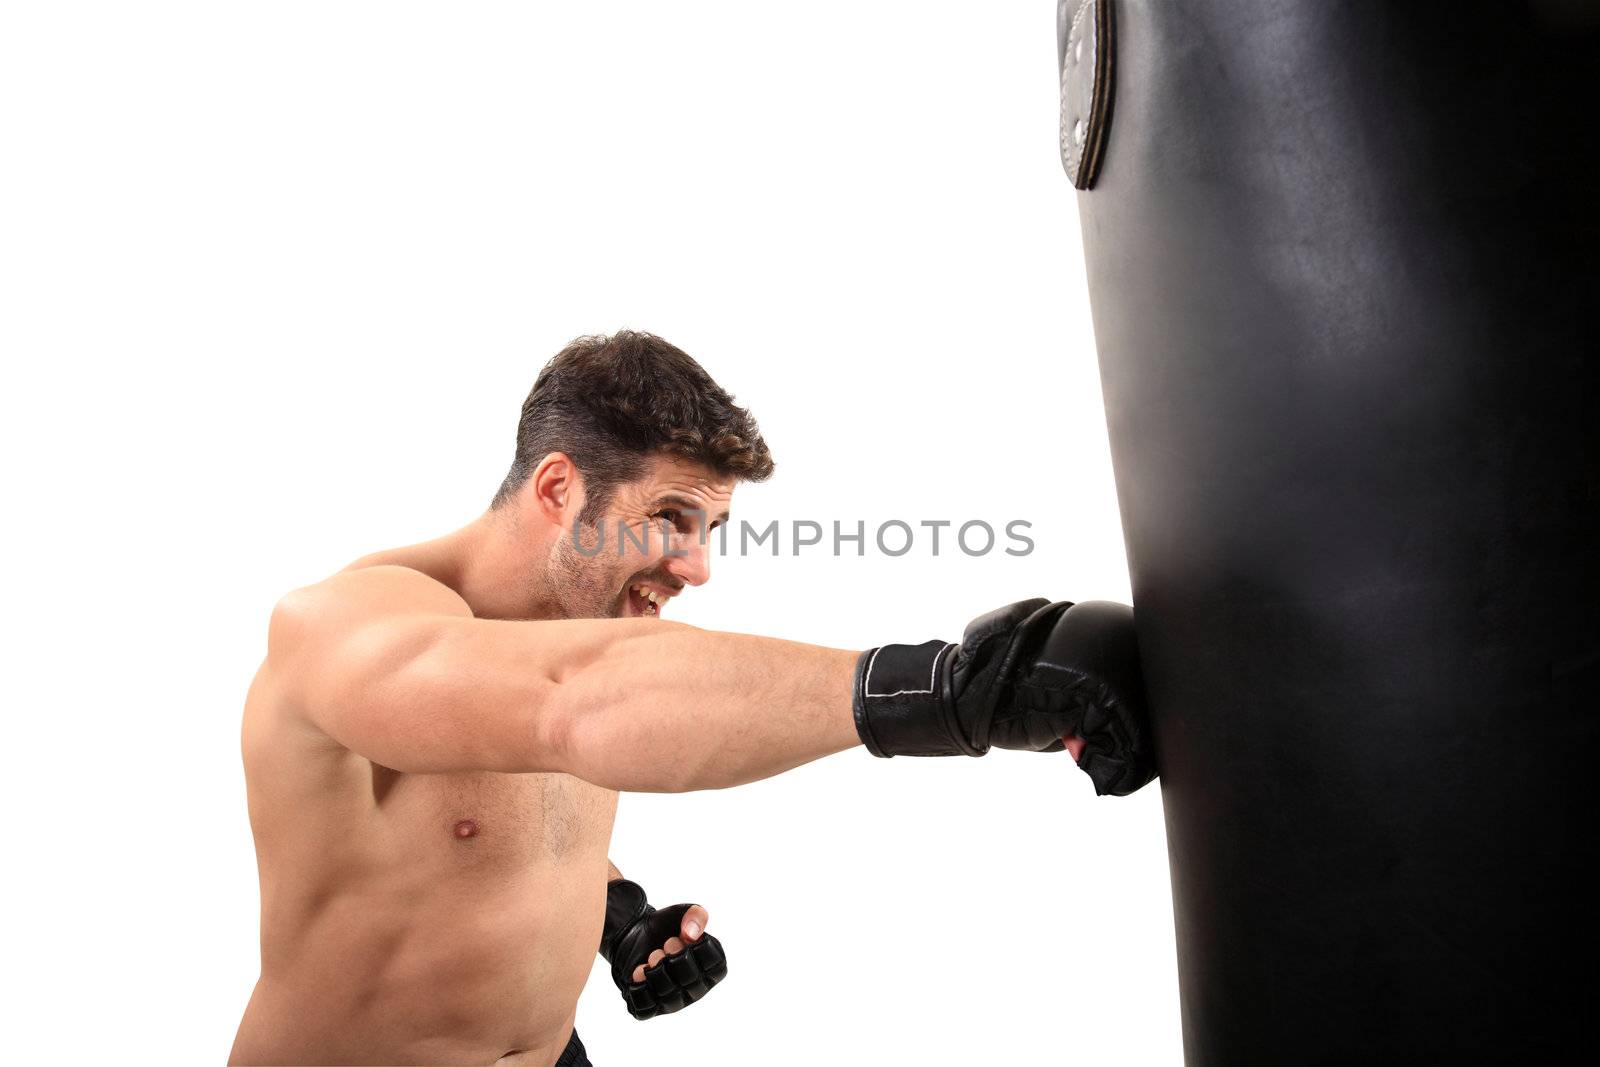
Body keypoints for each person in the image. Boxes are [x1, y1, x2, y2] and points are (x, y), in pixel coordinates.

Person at [229, 331, 1155, 1066]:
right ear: (560, 488)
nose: (699, 567)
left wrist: (619, 916)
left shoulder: (579, 625)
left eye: (710, 529)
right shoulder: (344, 625)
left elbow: (491, 816)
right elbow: (573, 703)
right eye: (672, 518)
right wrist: (951, 693)